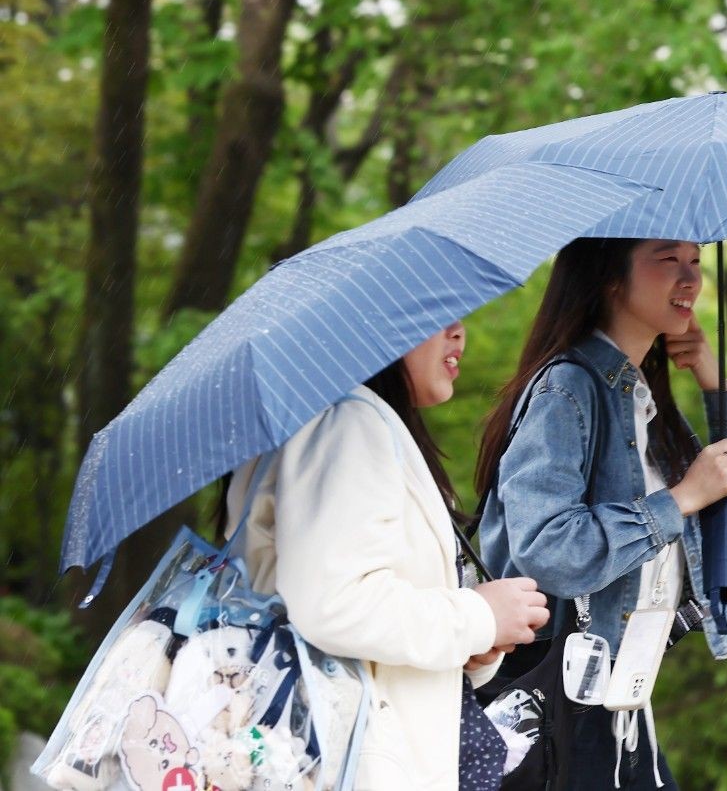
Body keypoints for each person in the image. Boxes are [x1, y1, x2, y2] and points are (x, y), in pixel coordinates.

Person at [475, 237, 727, 789]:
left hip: (625, 707)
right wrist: (680, 499)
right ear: (610, 278)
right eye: (668, 261)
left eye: (695, 261)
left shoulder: (644, 402)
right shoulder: (568, 389)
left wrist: (715, 383)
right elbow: (549, 551)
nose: (690, 279)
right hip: (562, 706)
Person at [225, 319, 550, 790]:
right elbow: (334, 606)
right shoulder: (347, 424)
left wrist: (468, 648)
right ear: (377, 323)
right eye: (436, 314)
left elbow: (355, 617)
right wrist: (477, 616)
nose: (458, 332)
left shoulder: (344, 420)